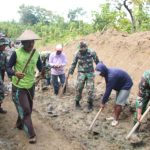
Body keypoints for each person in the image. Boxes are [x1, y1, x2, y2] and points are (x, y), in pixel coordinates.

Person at [7, 30, 44, 144]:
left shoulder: (36, 54)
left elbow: (40, 66)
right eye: (28, 43)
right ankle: (31, 135)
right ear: (23, 43)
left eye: (32, 42)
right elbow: (8, 67)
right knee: (26, 109)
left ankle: (19, 124)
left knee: (28, 108)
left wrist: (43, 72)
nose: (31, 45)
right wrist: (15, 73)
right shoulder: (16, 53)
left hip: (30, 86)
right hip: (18, 87)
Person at [69, 41, 100, 111]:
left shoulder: (92, 52)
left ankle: (90, 104)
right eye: (80, 50)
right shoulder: (76, 53)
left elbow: (97, 62)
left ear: (86, 48)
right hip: (81, 73)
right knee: (79, 88)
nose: (81, 51)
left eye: (83, 49)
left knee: (90, 89)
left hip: (90, 73)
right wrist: (70, 72)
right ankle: (77, 102)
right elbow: (73, 63)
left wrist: (99, 71)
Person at [0, 37, 9, 114]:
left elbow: (7, 66)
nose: (4, 47)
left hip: (1, 73)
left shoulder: (4, 55)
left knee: (1, 92)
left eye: (5, 45)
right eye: (3, 45)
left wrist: (11, 75)